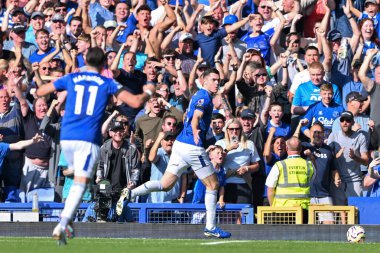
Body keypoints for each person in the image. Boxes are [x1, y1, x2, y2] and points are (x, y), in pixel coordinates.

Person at [36, 47, 156, 245]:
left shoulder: (72, 78)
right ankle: (63, 223)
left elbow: (41, 91)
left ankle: (66, 219)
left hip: (67, 137)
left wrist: (43, 76)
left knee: (80, 177)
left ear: (85, 60)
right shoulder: (107, 82)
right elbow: (135, 102)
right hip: (87, 137)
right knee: (81, 181)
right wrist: (148, 92)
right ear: (104, 65)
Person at [116, 68, 232, 238]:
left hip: (180, 145)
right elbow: (196, 117)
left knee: (165, 184)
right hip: (192, 147)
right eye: (214, 79)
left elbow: (189, 114)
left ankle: (129, 193)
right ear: (204, 80)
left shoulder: (198, 95)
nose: (217, 83)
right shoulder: (204, 96)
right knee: (213, 185)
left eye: (218, 80)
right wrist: (195, 131)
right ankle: (211, 227)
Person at [266, 137, 315, 221]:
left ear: (287, 148)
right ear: (301, 149)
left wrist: (273, 207)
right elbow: (312, 180)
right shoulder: (309, 165)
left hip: (282, 210)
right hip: (303, 210)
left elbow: (270, 189)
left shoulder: (279, 165)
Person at [327, 111, 369, 205]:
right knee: (338, 214)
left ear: (353, 122)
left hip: (355, 181)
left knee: (356, 213)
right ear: (340, 122)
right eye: (342, 120)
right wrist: (336, 156)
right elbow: (327, 159)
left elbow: (366, 161)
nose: (345, 122)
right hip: (337, 181)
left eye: (348, 120)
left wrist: (355, 157)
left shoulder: (360, 137)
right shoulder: (333, 136)